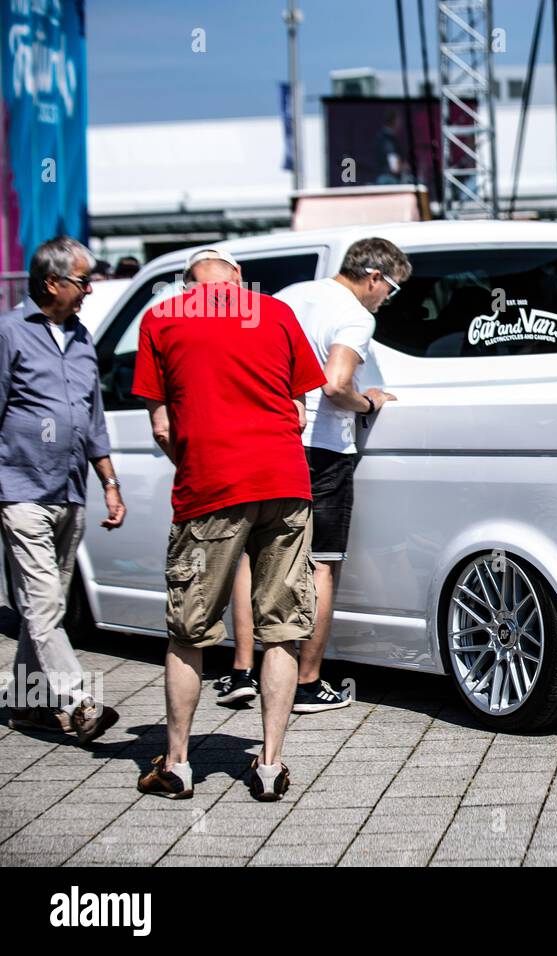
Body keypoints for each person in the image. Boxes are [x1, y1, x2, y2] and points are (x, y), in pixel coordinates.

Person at [133, 248, 326, 801]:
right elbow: (297, 411)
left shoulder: (162, 318)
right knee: (284, 627)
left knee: (188, 632)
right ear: (237, 277)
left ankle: (176, 764)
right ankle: (269, 765)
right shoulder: (278, 313)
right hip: (286, 485)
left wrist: (199, 464)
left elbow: (163, 427)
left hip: (211, 490)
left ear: (188, 283)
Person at [213, 238, 411, 713]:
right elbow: (335, 383)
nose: (388, 299)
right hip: (322, 448)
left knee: (251, 557)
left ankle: (242, 672)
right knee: (321, 562)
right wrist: (369, 402)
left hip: (266, 440)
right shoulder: (355, 315)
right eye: (393, 289)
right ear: (373, 278)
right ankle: (306, 682)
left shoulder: (287, 297)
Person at [0, 236, 126, 742]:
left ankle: (26, 703)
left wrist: (109, 484)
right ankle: (77, 701)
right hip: (20, 487)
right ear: (51, 282)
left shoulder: (80, 337)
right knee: (45, 602)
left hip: (69, 491)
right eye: (83, 280)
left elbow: (93, 419)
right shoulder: (10, 332)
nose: (90, 290)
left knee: (41, 605)